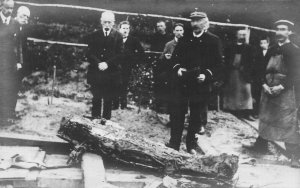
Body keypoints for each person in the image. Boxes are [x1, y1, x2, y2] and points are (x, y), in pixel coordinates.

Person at [244, 20, 300, 168]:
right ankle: (261, 146)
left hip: (285, 91)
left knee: (288, 122)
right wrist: (264, 85)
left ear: (289, 32)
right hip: (268, 89)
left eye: (283, 29)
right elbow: (260, 69)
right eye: (278, 29)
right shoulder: (271, 49)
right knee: (266, 118)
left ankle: (294, 156)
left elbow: (296, 74)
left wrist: (281, 86)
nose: (279, 32)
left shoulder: (294, 50)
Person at [165, 10, 223, 154]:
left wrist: (206, 75)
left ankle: (191, 145)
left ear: (205, 23)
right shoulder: (185, 39)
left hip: (200, 84)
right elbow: (174, 59)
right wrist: (177, 69)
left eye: (198, 21)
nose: (195, 24)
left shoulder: (213, 40)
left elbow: (219, 64)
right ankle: (174, 144)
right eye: (193, 21)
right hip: (183, 83)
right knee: (177, 113)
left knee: (196, 116)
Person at [84, 11, 123, 120]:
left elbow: (120, 54)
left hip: (111, 73)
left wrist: (107, 63)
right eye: (105, 22)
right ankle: (95, 119)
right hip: (96, 72)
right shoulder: (94, 35)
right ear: (101, 22)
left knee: (108, 98)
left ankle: (106, 121)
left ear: (113, 23)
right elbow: (89, 53)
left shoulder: (118, 36)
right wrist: (98, 63)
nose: (107, 24)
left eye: (109, 22)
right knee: (96, 97)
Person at [223, 29, 255, 121]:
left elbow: (251, 61)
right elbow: (226, 59)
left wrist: (245, 67)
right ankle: (236, 111)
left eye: (244, 35)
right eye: (240, 34)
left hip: (244, 73)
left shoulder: (249, 47)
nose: (242, 36)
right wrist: (230, 65)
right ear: (236, 35)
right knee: (235, 92)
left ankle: (248, 113)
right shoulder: (230, 46)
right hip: (232, 72)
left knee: (246, 92)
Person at [112, 21, 144, 109]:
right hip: (115, 66)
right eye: (123, 28)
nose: (125, 30)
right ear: (119, 29)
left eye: (127, 28)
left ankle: (123, 105)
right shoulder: (115, 39)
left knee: (124, 85)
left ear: (129, 30)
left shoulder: (134, 40)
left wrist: (134, 61)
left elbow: (141, 53)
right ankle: (114, 104)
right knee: (115, 84)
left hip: (127, 66)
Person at [159, 23, 184, 127]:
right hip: (172, 74)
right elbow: (161, 58)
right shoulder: (169, 44)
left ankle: (181, 120)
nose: (179, 33)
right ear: (173, 31)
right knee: (172, 97)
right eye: (177, 30)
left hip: (183, 75)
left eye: (181, 30)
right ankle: (172, 120)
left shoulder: (187, 43)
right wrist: (166, 57)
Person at [0, 0, 18, 123]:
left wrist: (16, 61)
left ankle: (3, 117)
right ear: (1, 6)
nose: (10, 11)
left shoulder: (14, 23)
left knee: (6, 88)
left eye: (12, 8)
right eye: (7, 8)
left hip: (8, 63)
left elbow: (17, 45)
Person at [151, 20, 173, 113]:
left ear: (165, 27)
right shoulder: (154, 37)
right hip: (158, 63)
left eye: (161, 26)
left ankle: (166, 105)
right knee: (157, 83)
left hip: (167, 63)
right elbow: (152, 50)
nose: (159, 28)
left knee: (168, 83)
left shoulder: (169, 37)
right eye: (158, 26)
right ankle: (157, 105)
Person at [252, 36, 270, 118]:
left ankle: (265, 114)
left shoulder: (271, 53)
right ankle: (256, 112)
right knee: (257, 95)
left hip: (267, 76)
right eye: (261, 43)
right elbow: (255, 66)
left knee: (267, 95)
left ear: (268, 43)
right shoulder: (257, 53)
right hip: (258, 76)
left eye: (264, 43)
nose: (263, 45)